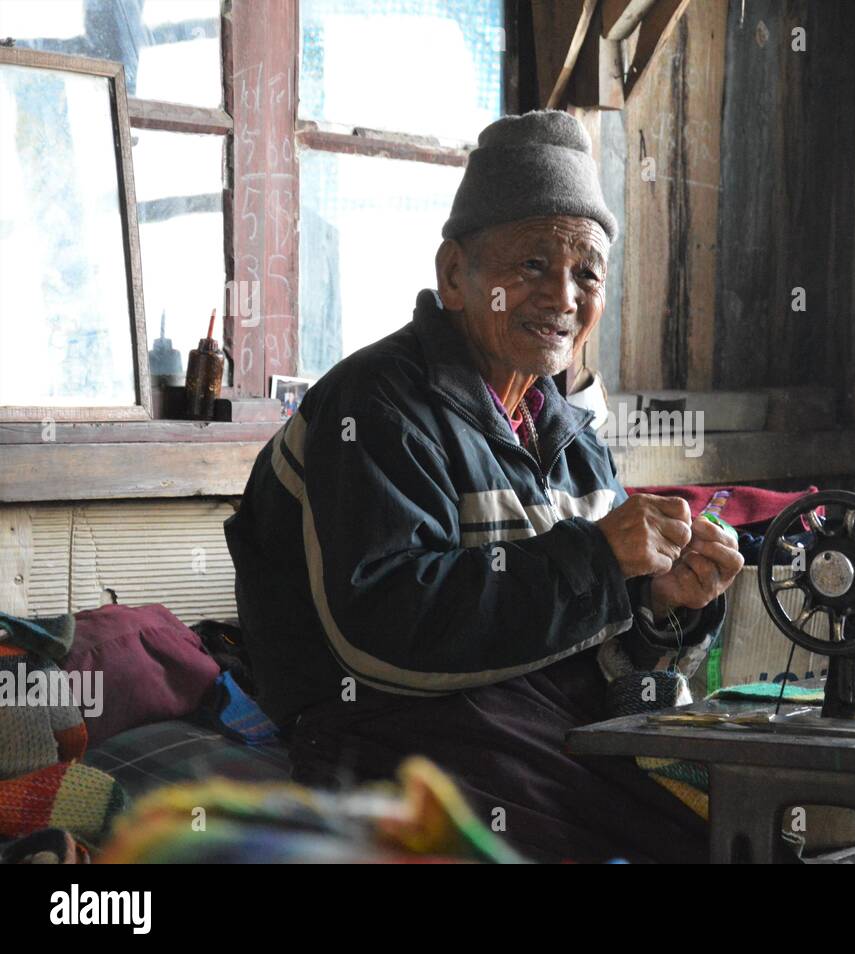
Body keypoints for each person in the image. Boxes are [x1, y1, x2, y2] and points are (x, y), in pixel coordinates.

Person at [224, 110, 743, 862]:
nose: (564, 295)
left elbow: (596, 646)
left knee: (741, 813)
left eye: (586, 272)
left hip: (536, 719)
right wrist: (599, 562)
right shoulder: (374, 407)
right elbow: (383, 639)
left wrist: (665, 606)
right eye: (532, 265)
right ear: (454, 276)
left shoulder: (566, 434)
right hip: (387, 726)